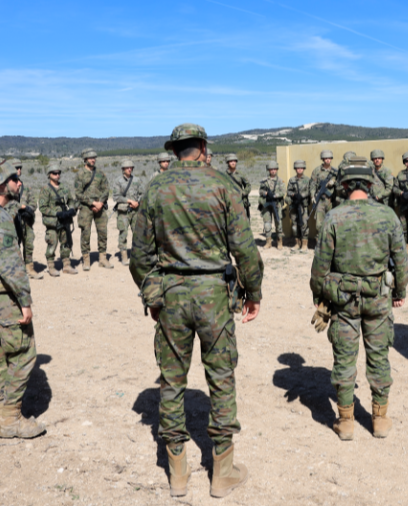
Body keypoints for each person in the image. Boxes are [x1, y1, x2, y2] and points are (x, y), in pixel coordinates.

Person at [129, 123, 263, 498]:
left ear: (175, 151)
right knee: (221, 377)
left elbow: (139, 256)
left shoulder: (156, 188)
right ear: (203, 147)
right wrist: (253, 292)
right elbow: (245, 248)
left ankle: (178, 474)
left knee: (172, 381)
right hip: (215, 296)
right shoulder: (224, 185)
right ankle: (222, 472)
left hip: (172, 295)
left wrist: (154, 294)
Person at [310, 157, 408, 440]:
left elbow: (319, 267)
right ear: (370, 183)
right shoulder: (387, 215)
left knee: (344, 360)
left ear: (342, 184)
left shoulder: (334, 216)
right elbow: (401, 261)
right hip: (378, 300)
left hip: (342, 302)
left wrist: (319, 298)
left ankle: (346, 422)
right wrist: (399, 292)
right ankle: (379, 419)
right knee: (379, 357)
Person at [0, 159, 46, 439]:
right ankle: (10, 418)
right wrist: (25, 301)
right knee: (24, 353)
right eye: (14, 179)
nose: (19, 182)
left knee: (0, 354)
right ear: (2, 184)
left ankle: (1, 410)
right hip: (3, 296)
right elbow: (10, 264)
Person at [74, 148, 112, 270]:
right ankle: (86, 260)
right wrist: (92, 203)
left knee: (103, 232)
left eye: (94, 158)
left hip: (100, 207)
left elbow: (106, 189)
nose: (93, 160)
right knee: (86, 233)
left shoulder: (100, 173)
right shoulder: (80, 175)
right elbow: (78, 194)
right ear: (85, 160)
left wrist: (100, 203)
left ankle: (102, 258)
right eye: (90, 158)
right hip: (86, 208)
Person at [38, 164, 78, 276]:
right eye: (54, 173)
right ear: (49, 175)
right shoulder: (45, 190)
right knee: (52, 243)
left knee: (66, 242)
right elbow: (42, 207)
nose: (57, 175)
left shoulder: (64, 188)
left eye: (58, 173)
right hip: (53, 222)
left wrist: (71, 209)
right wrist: (56, 213)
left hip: (64, 220)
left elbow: (71, 200)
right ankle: (51, 266)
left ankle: (66, 265)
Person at [7, 159, 42, 280]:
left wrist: (29, 209)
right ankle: (15, 270)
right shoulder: (6, 188)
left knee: (29, 244)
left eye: (20, 168)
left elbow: (33, 202)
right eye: (16, 168)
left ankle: (29, 267)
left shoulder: (26, 188)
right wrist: (19, 207)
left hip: (26, 221)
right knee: (13, 245)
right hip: (12, 222)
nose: (19, 170)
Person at [112, 159, 144, 266]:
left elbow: (142, 193)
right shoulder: (118, 181)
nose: (129, 169)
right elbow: (116, 196)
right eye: (127, 168)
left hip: (135, 211)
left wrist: (137, 202)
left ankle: (137, 255)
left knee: (137, 233)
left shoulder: (137, 180)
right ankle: (124, 257)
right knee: (123, 234)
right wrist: (129, 201)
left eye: (131, 167)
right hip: (123, 212)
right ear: (123, 169)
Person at [309, 150, 338, 246]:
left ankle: (330, 243)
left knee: (331, 222)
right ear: (322, 159)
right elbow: (312, 184)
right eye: (326, 158)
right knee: (319, 224)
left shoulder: (335, 172)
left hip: (331, 200)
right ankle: (319, 244)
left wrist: (334, 181)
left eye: (329, 158)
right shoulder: (317, 170)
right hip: (320, 200)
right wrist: (313, 195)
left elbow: (340, 183)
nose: (327, 160)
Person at [259, 162, 286, 250]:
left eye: (274, 169)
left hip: (276, 204)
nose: (273, 171)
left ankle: (279, 242)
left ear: (277, 170)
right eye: (271, 170)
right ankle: (268, 242)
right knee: (267, 224)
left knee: (278, 223)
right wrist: (266, 193)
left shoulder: (280, 181)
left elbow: (283, 192)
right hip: (267, 205)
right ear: (269, 170)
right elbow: (260, 191)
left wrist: (274, 195)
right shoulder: (264, 181)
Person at [286, 160, 312, 250]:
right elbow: (288, 191)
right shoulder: (292, 180)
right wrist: (294, 195)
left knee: (304, 224)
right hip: (294, 205)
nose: (299, 170)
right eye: (298, 168)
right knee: (294, 225)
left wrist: (302, 195)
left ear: (303, 168)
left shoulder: (308, 179)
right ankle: (297, 243)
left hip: (303, 205)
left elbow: (310, 191)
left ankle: (304, 244)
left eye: (301, 168)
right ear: (295, 169)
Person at [224, 154, 251, 218]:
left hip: (240, 201)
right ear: (227, 162)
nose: (233, 163)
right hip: (229, 202)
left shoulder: (240, 174)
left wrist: (243, 193)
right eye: (231, 161)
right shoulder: (224, 175)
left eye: (234, 161)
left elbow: (248, 185)